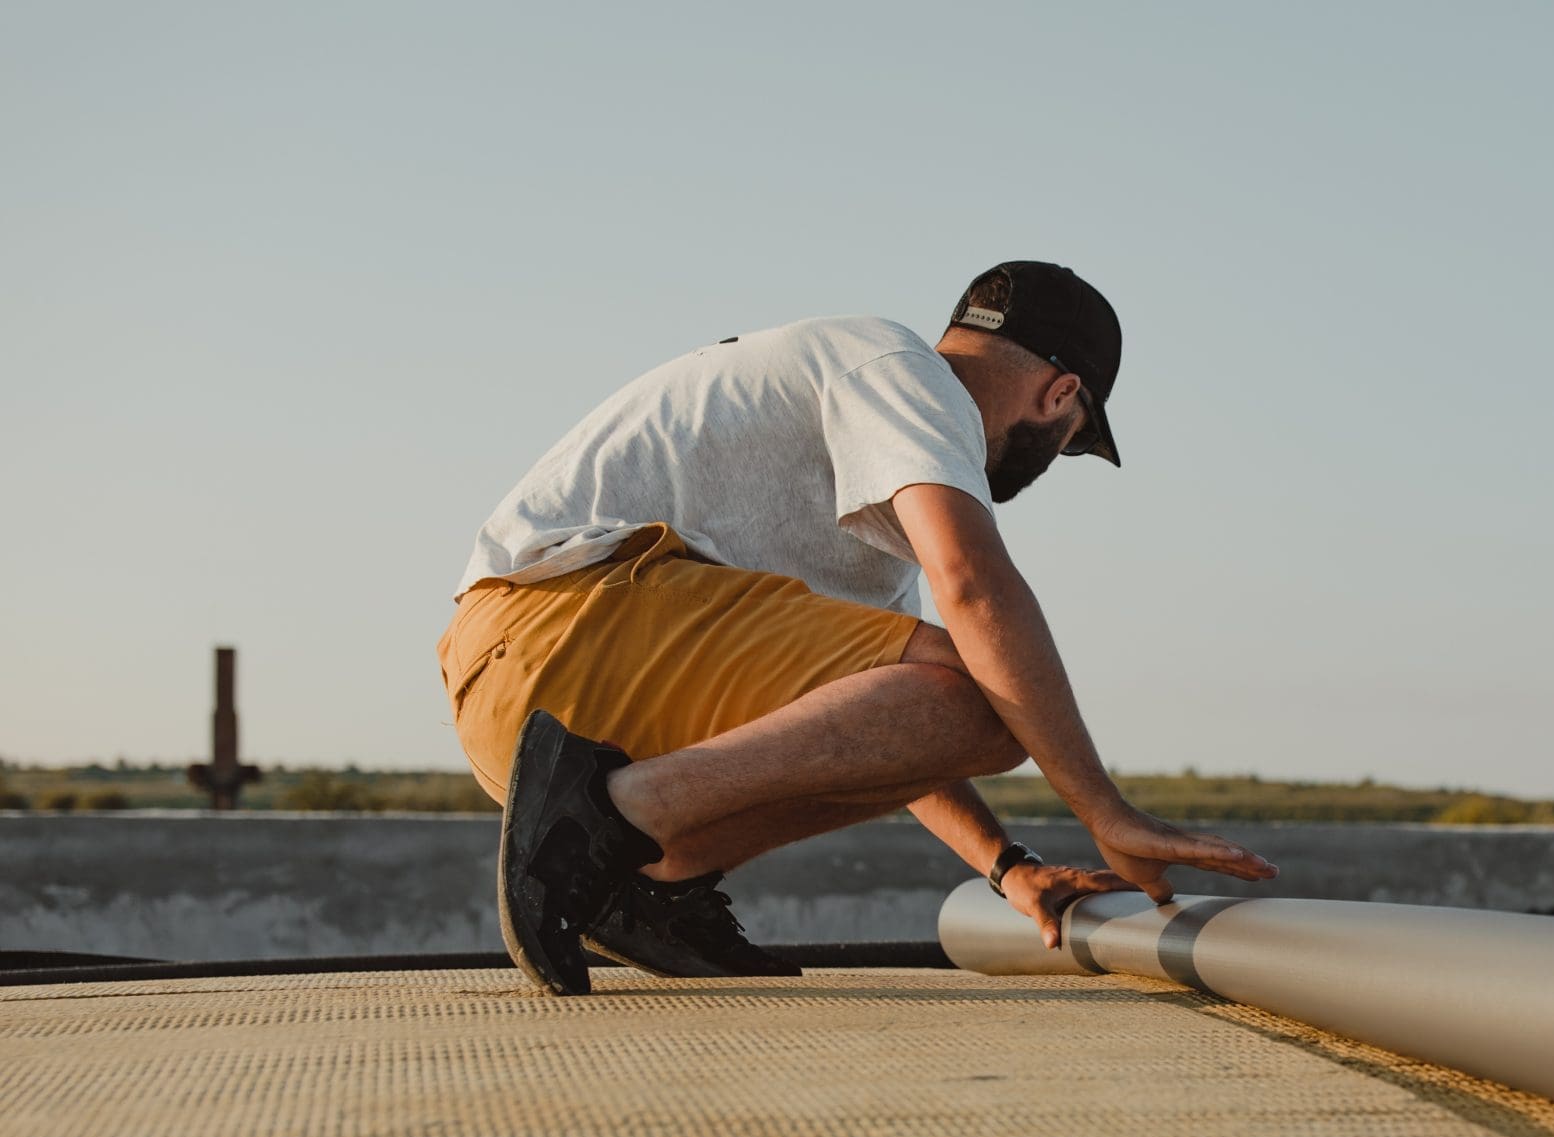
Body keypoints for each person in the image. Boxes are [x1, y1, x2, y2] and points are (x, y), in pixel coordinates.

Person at [437, 260, 1276, 995]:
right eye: (1070, 440)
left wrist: (1008, 867)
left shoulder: (871, 497)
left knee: (962, 699)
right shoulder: (899, 369)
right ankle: (606, 818)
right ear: (1061, 398)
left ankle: (641, 878)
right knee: (995, 687)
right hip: (556, 625)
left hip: (537, 685)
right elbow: (977, 590)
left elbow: (891, 728)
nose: (1053, 459)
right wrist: (1107, 811)